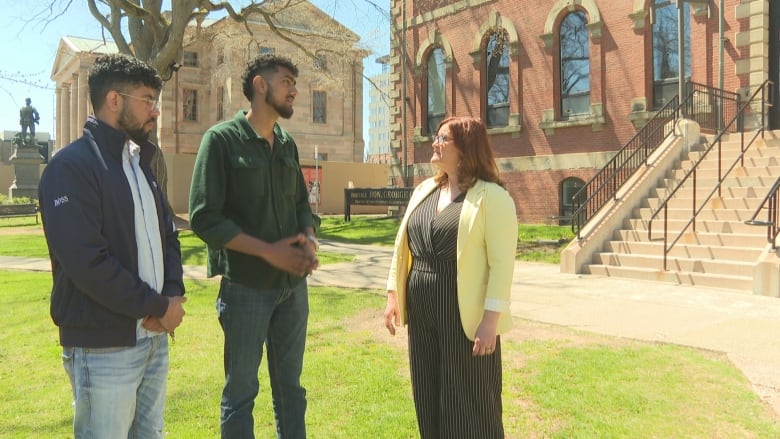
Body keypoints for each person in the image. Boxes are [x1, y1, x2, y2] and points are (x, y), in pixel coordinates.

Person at [38, 53, 186, 438]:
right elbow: (87, 262)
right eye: (147, 99)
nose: (156, 110)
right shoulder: (70, 167)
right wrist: (157, 307)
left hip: (154, 339)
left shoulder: (143, 164)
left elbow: (168, 234)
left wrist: (171, 297)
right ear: (115, 100)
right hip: (104, 347)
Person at [188, 54, 319, 439]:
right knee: (242, 391)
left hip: (292, 289)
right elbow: (204, 217)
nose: (295, 89)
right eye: (286, 81)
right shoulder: (221, 141)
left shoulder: (286, 143)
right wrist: (268, 251)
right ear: (260, 85)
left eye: (295, 82)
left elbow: (300, 203)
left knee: (291, 389)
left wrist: (308, 237)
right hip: (245, 288)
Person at [384, 116, 517, 438]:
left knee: (469, 400)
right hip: (422, 313)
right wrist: (392, 295)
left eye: (443, 138)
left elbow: (502, 264)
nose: (435, 143)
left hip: (465, 316)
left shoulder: (492, 197)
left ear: (465, 148)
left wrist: (490, 321)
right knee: (427, 390)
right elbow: (403, 245)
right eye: (436, 136)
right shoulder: (425, 190)